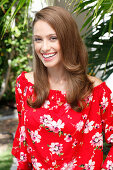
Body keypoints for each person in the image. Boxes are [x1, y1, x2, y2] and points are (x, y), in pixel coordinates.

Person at [12, 6, 113, 170]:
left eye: (53, 38)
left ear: (69, 40)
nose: (44, 48)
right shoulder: (24, 84)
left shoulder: (96, 91)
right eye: (38, 39)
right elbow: (24, 143)